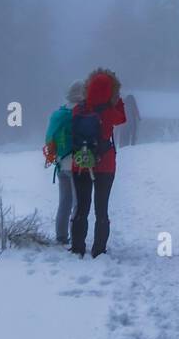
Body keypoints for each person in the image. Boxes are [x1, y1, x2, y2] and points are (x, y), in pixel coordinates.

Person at [70, 68, 126, 259]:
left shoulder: (79, 108)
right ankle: (98, 249)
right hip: (105, 164)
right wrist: (117, 100)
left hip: (81, 163)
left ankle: (77, 246)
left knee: (81, 207)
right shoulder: (110, 112)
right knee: (101, 208)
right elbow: (122, 118)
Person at [42, 80, 85, 245]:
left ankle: (61, 236)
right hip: (76, 163)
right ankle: (75, 238)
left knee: (64, 203)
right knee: (77, 204)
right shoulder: (81, 113)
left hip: (60, 163)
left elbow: (49, 138)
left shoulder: (58, 114)